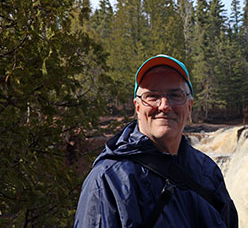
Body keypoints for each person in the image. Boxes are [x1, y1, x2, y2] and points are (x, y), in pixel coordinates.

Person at [74, 54, 238, 228]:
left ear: (189, 107)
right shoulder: (108, 179)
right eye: (152, 96)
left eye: (175, 95)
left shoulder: (207, 171)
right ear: (138, 108)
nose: (164, 105)